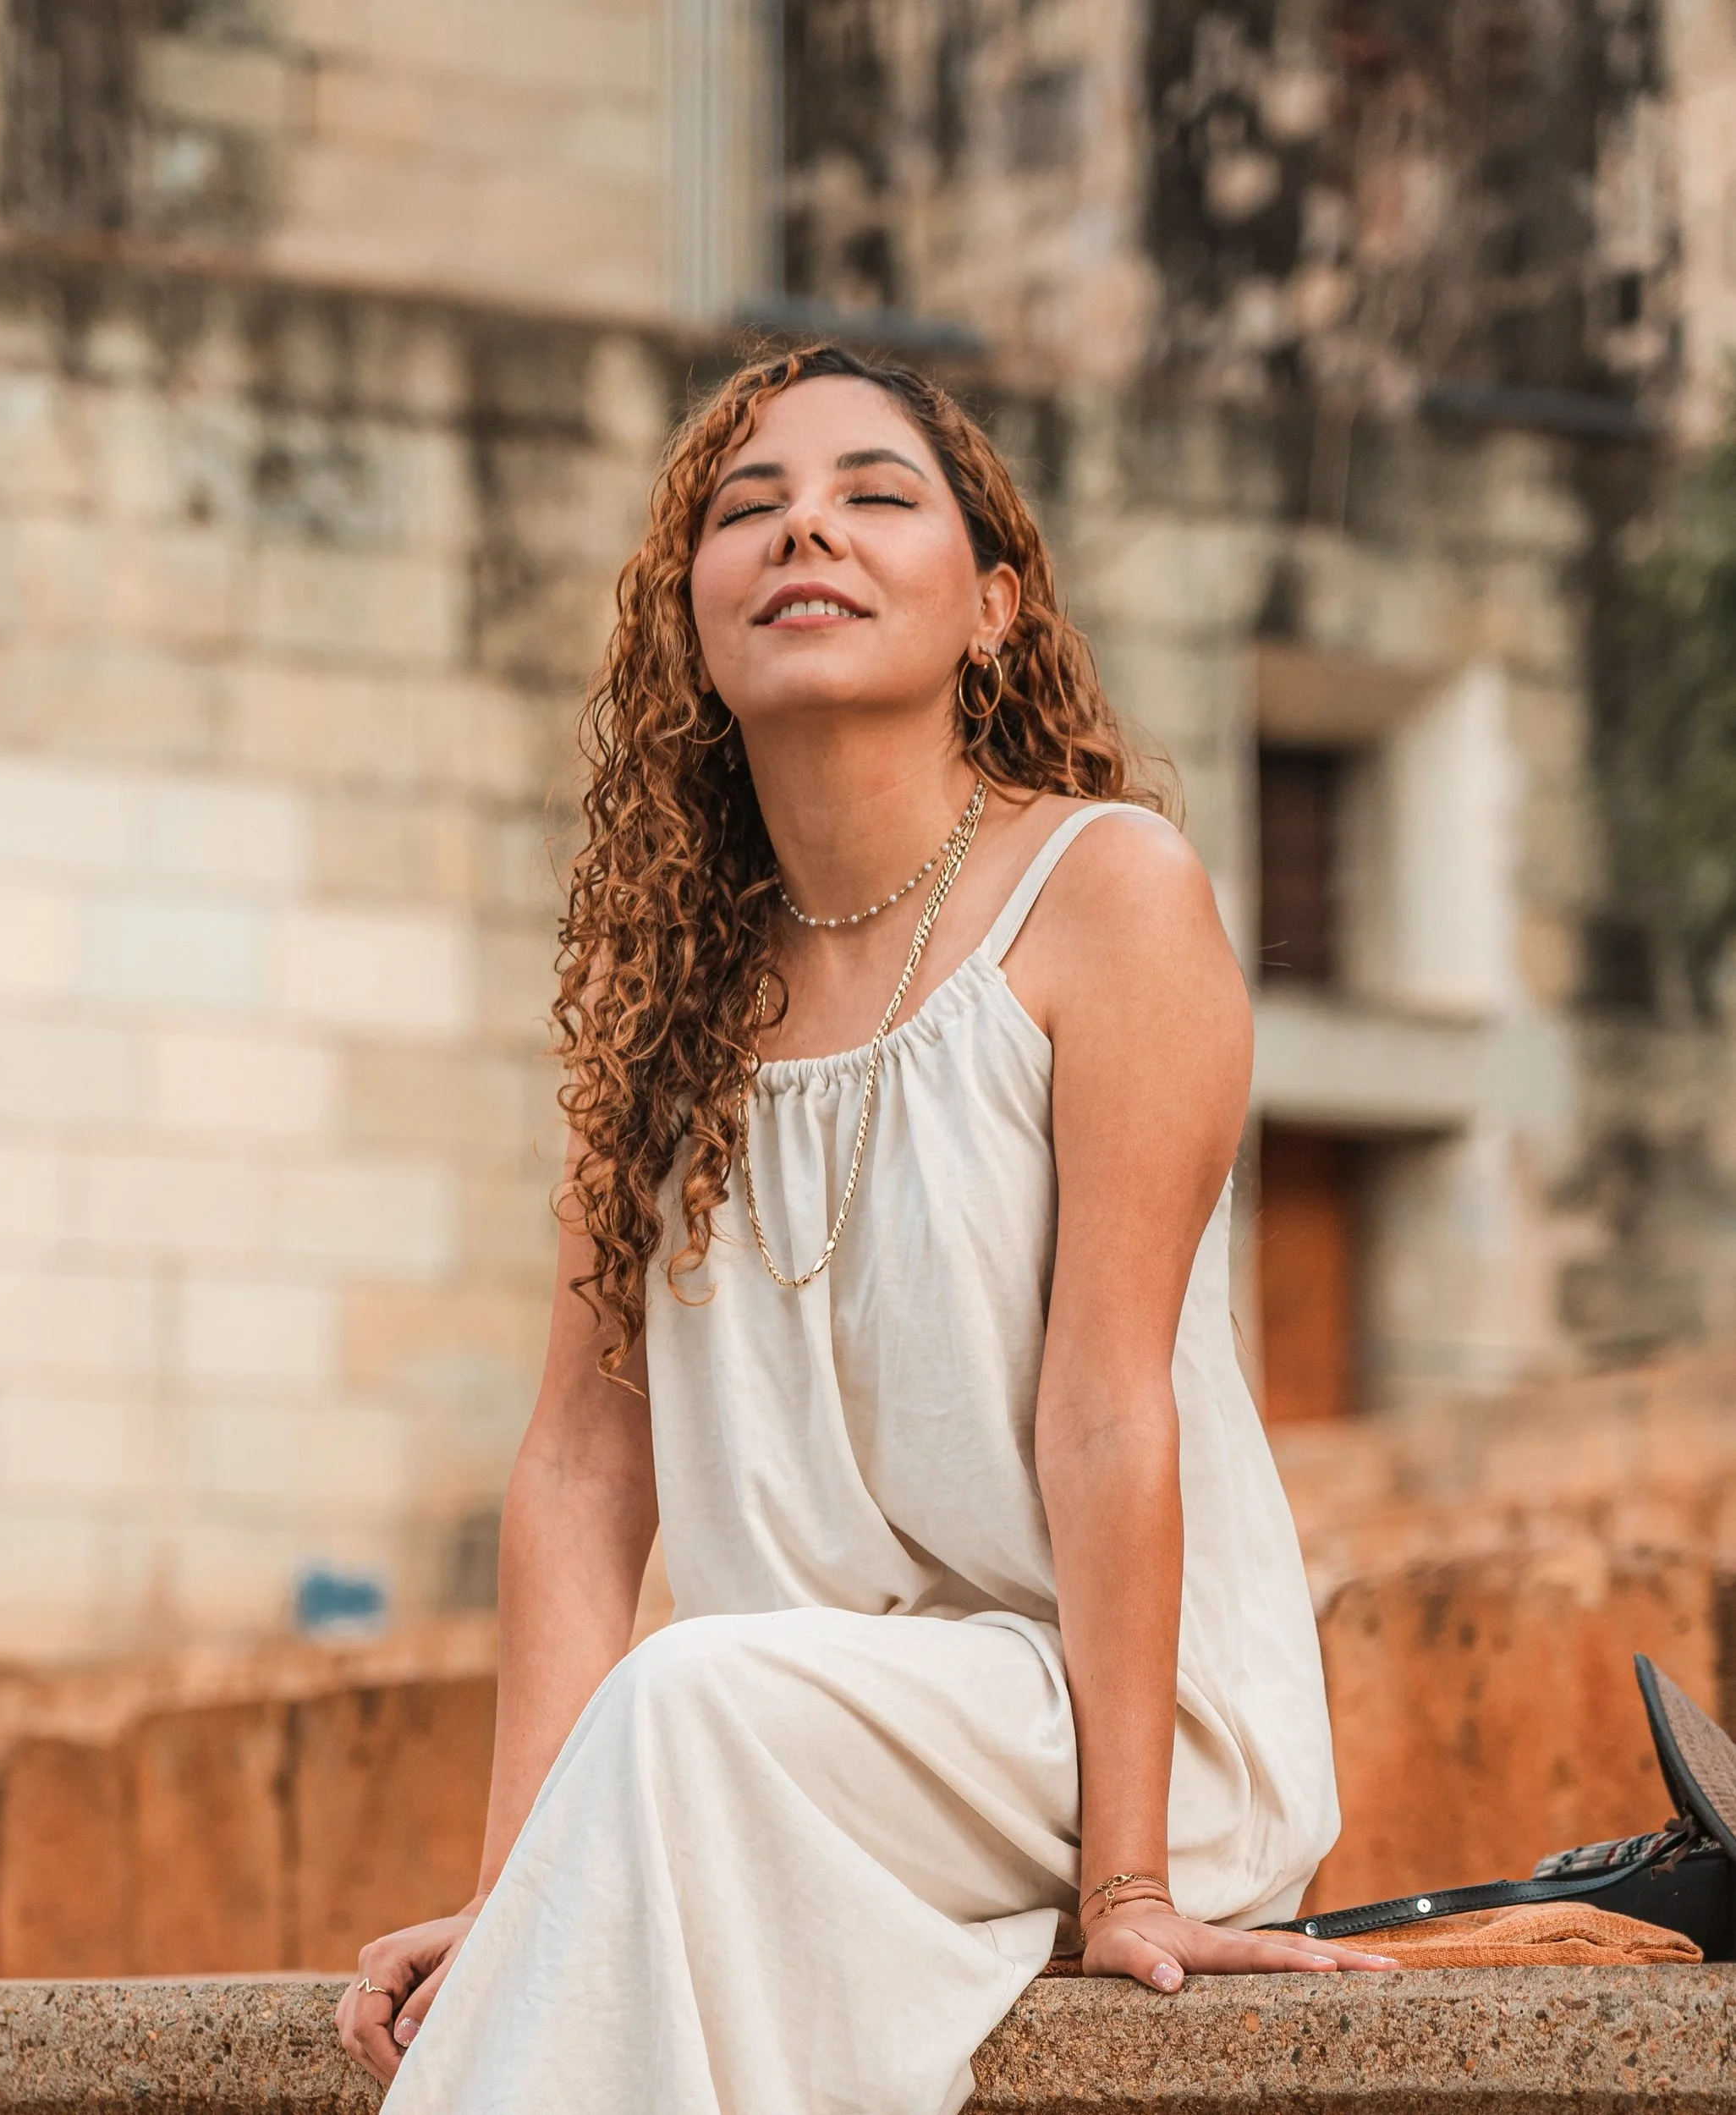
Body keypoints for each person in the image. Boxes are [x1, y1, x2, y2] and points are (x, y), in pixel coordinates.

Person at [336, 343, 1390, 2114]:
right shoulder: (661, 995)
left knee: (686, 1698)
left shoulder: (1105, 895)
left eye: (872, 495)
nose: (802, 529)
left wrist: (1129, 1882)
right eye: (747, 509)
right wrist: (521, 1894)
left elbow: (1107, 1405)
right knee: (687, 1727)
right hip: (781, 1751)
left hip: (1099, 1727)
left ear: (991, 606)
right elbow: (583, 1471)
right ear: (691, 621)